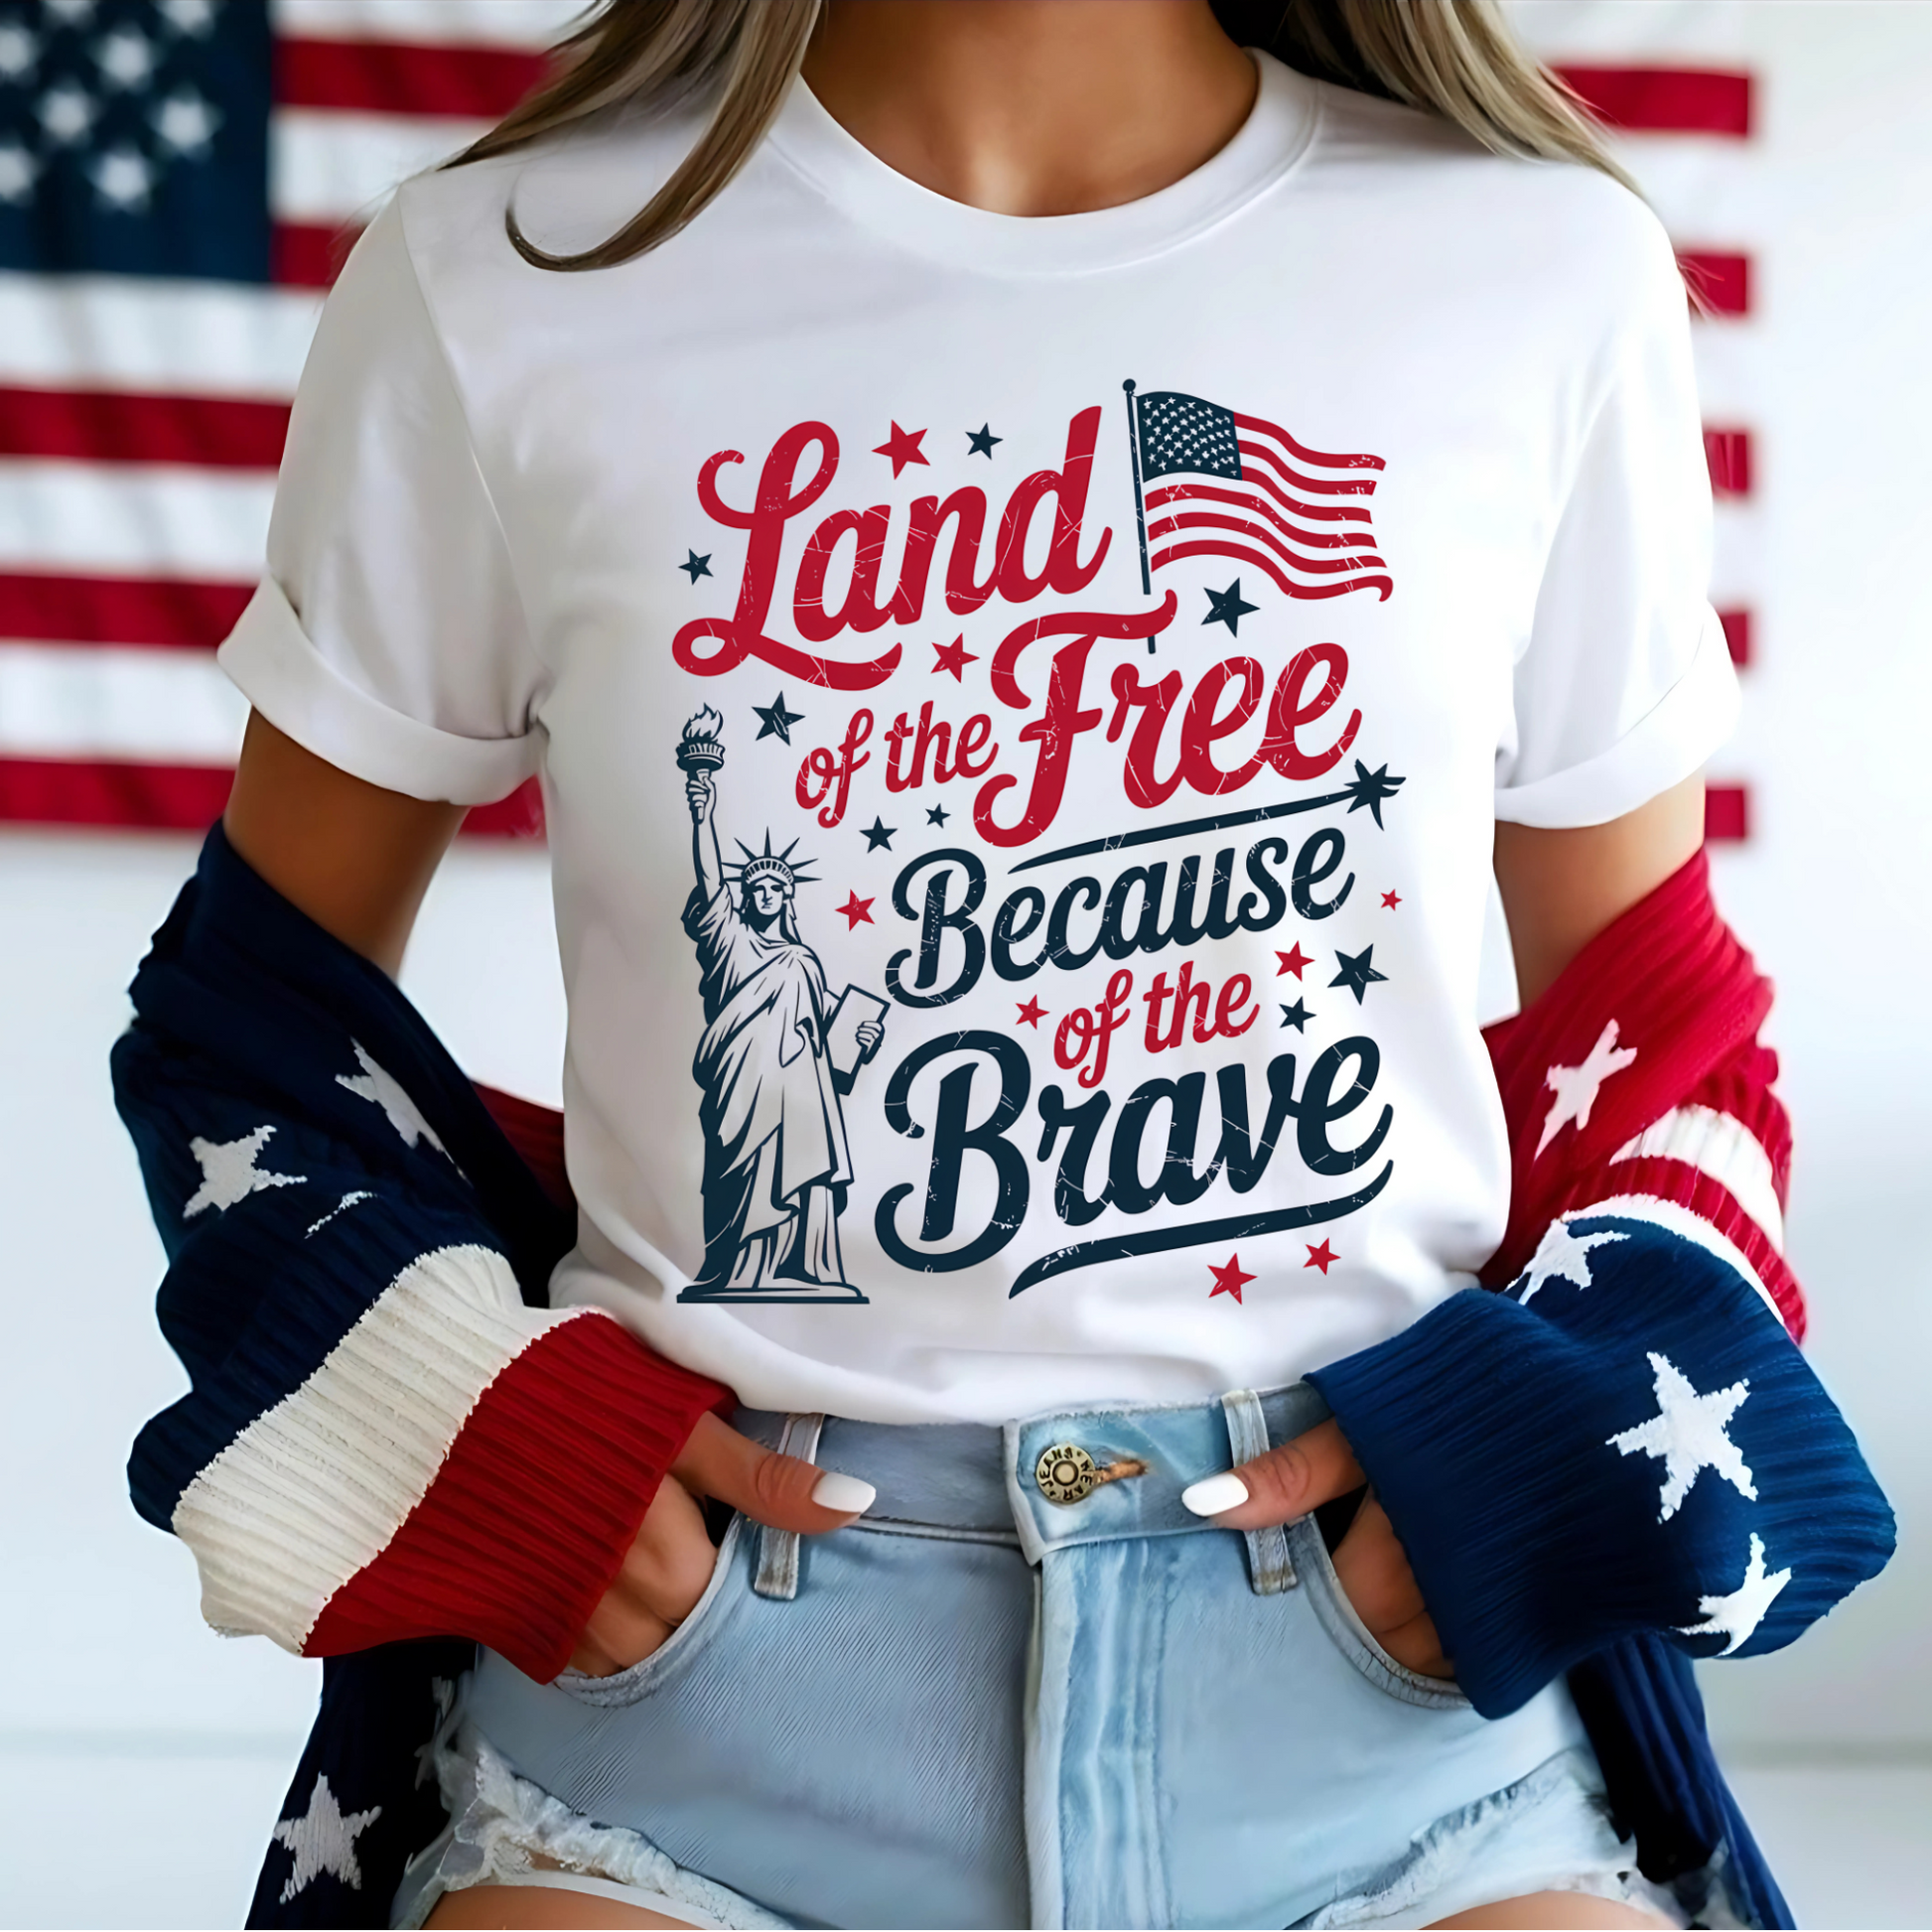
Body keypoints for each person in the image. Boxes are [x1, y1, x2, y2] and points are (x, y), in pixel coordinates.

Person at [112, 3, 1894, 1929]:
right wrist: (486, 1423)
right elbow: (250, 1023)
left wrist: (1541, 1446)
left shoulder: (1538, 264)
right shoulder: (506, 275)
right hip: (703, 1725)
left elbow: (1659, 1033)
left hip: (1395, 1724)